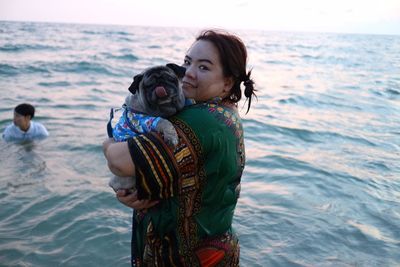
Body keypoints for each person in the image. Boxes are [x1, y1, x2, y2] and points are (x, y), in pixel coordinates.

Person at [103, 29, 256, 266]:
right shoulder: (221, 112)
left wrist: (108, 143)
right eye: (187, 62)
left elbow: (119, 162)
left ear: (228, 82)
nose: (188, 73)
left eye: (203, 67)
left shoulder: (202, 121)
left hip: (184, 257)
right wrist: (136, 191)